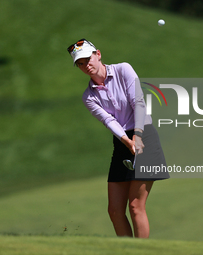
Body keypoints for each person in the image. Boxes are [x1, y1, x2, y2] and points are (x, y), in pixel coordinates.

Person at [67, 38, 169, 238]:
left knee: (135, 205)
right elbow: (108, 120)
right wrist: (127, 140)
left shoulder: (123, 70)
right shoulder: (88, 96)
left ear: (98, 54)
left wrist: (137, 135)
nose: (86, 65)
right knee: (114, 211)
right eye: (80, 63)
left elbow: (138, 103)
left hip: (144, 134)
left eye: (88, 58)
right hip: (122, 141)